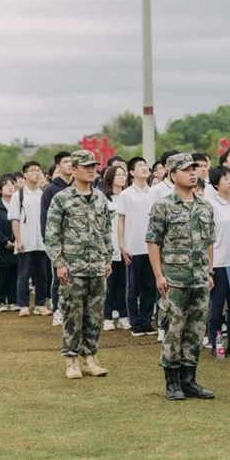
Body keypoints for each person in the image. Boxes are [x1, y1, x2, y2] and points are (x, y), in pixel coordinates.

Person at [146, 153, 216, 400]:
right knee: (174, 330)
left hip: (199, 279)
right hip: (174, 279)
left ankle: (190, 380)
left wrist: (209, 271)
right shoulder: (163, 206)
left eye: (194, 169)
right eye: (186, 170)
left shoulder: (205, 206)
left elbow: (209, 242)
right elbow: (153, 242)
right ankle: (172, 381)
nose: (192, 173)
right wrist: (159, 275)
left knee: (196, 332)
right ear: (173, 175)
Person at [44, 150, 113, 379]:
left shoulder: (101, 197)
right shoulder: (62, 199)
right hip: (73, 267)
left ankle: (90, 357)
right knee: (73, 313)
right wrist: (59, 262)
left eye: (94, 165)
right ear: (73, 169)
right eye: (86, 166)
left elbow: (106, 231)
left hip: (96, 266)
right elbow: (52, 235)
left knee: (95, 314)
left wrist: (107, 258)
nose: (91, 169)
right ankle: (71, 360)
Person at [207, 165, 230, 356]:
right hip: (219, 262)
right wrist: (209, 266)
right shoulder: (211, 206)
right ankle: (215, 342)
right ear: (215, 184)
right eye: (225, 179)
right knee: (217, 305)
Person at [119, 157, 156, 336]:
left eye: (145, 165)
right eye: (139, 166)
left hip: (151, 247)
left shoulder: (153, 193)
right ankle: (135, 322)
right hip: (132, 246)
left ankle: (147, 320)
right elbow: (121, 220)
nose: (144, 168)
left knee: (150, 286)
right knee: (133, 287)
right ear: (132, 172)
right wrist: (121, 245)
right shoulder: (126, 194)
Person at [10, 161, 50, 317]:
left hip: (42, 241)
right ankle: (23, 305)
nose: (36, 173)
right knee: (24, 274)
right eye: (32, 171)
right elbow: (15, 219)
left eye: (38, 171)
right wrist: (18, 239)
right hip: (25, 241)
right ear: (25, 174)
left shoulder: (44, 194)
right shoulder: (18, 195)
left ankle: (40, 304)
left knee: (42, 274)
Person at [41, 151, 75, 326]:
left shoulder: (79, 186)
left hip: (78, 243)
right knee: (58, 278)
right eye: (66, 161)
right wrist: (50, 243)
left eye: (72, 161)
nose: (70, 164)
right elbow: (45, 219)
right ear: (58, 166)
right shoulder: (51, 190)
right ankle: (58, 310)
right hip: (59, 243)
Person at [102, 166, 127, 331]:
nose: (121, 177)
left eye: (123, 174)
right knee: (109, 283)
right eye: (118, 175)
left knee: (123, 283)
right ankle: (107, 316)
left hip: (126, 246)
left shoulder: (127, 197)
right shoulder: (104, 199)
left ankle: (124, 315)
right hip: (109, 247)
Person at [0, 175, 19, 313]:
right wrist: (4, 241)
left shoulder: (18, 203)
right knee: (1, 274)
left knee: (15, 272)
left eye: (12, 184)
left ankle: (13, 300)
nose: (10, 187)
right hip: (1, 247)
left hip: (17, 244)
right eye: (6, 185)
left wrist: (17, 240)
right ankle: (1, 300)